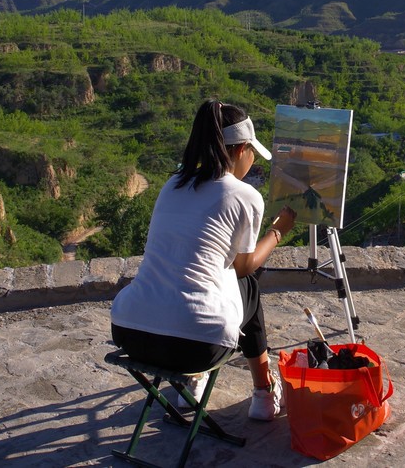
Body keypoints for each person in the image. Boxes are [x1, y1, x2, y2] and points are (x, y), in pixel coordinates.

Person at [110, 99, 297, 421]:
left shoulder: (173, 184)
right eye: (252, 151)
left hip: (130, 333)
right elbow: (243, 265)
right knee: (247, 285)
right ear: (240, 150)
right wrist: (278, 231)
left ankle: (192, 388)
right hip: (195, 348)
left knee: (202, 287)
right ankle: (263, 395)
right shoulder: (244, 195)